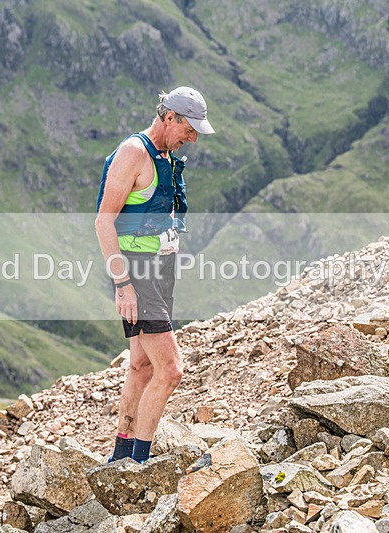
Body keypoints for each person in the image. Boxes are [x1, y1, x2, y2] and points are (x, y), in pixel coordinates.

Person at [95, 86, 215, 463]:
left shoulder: (164, 155)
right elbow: (104, 221)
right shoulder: (135, 152)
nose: (192, 138)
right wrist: (123, 285)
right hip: (139, 274)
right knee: (171, 369)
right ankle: (141, 462)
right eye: (189, 129)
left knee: (141, 365)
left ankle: (121, 455)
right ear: (169, 118)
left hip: (161, 272)